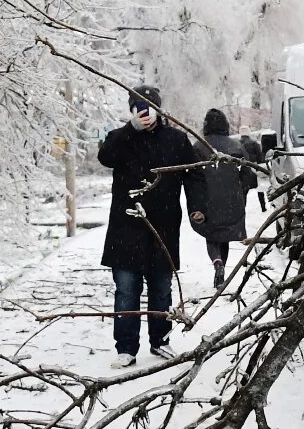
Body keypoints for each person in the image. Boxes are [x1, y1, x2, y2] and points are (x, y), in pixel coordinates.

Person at [98, 85, 204, 368]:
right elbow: (106, 157)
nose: (144, 114)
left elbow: (193, 175)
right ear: (131, 110)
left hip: (163, 225)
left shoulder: (177, 139)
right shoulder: (120, 138)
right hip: (126, 225)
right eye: (138, 108)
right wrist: (130, 130)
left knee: (161, 288)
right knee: (126, 290)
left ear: (159, 110)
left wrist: (197, 207)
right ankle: (126, 348)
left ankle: (161, 340)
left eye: (149, 108)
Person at [189, 108, 258, 291]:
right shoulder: (237, 146)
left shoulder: (199, 146)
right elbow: (247, 174)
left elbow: (192, 176)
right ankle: (222, 268)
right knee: (224, 236)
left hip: (207, 199)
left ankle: (217, 262)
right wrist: (241, 192)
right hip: (232, 199)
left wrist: (196, 201)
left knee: (211, 235)